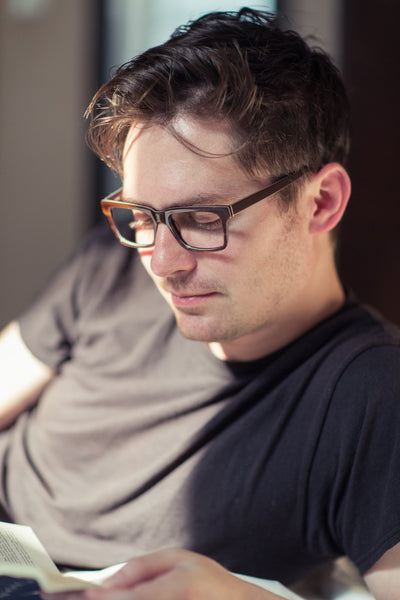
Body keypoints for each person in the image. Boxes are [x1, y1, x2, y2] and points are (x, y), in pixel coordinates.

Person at [0, 7, 399, 600]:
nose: (161, 262)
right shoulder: (112, 266)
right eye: (142, 216)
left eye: (199, 219)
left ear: (321, 204)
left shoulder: (370, 389)